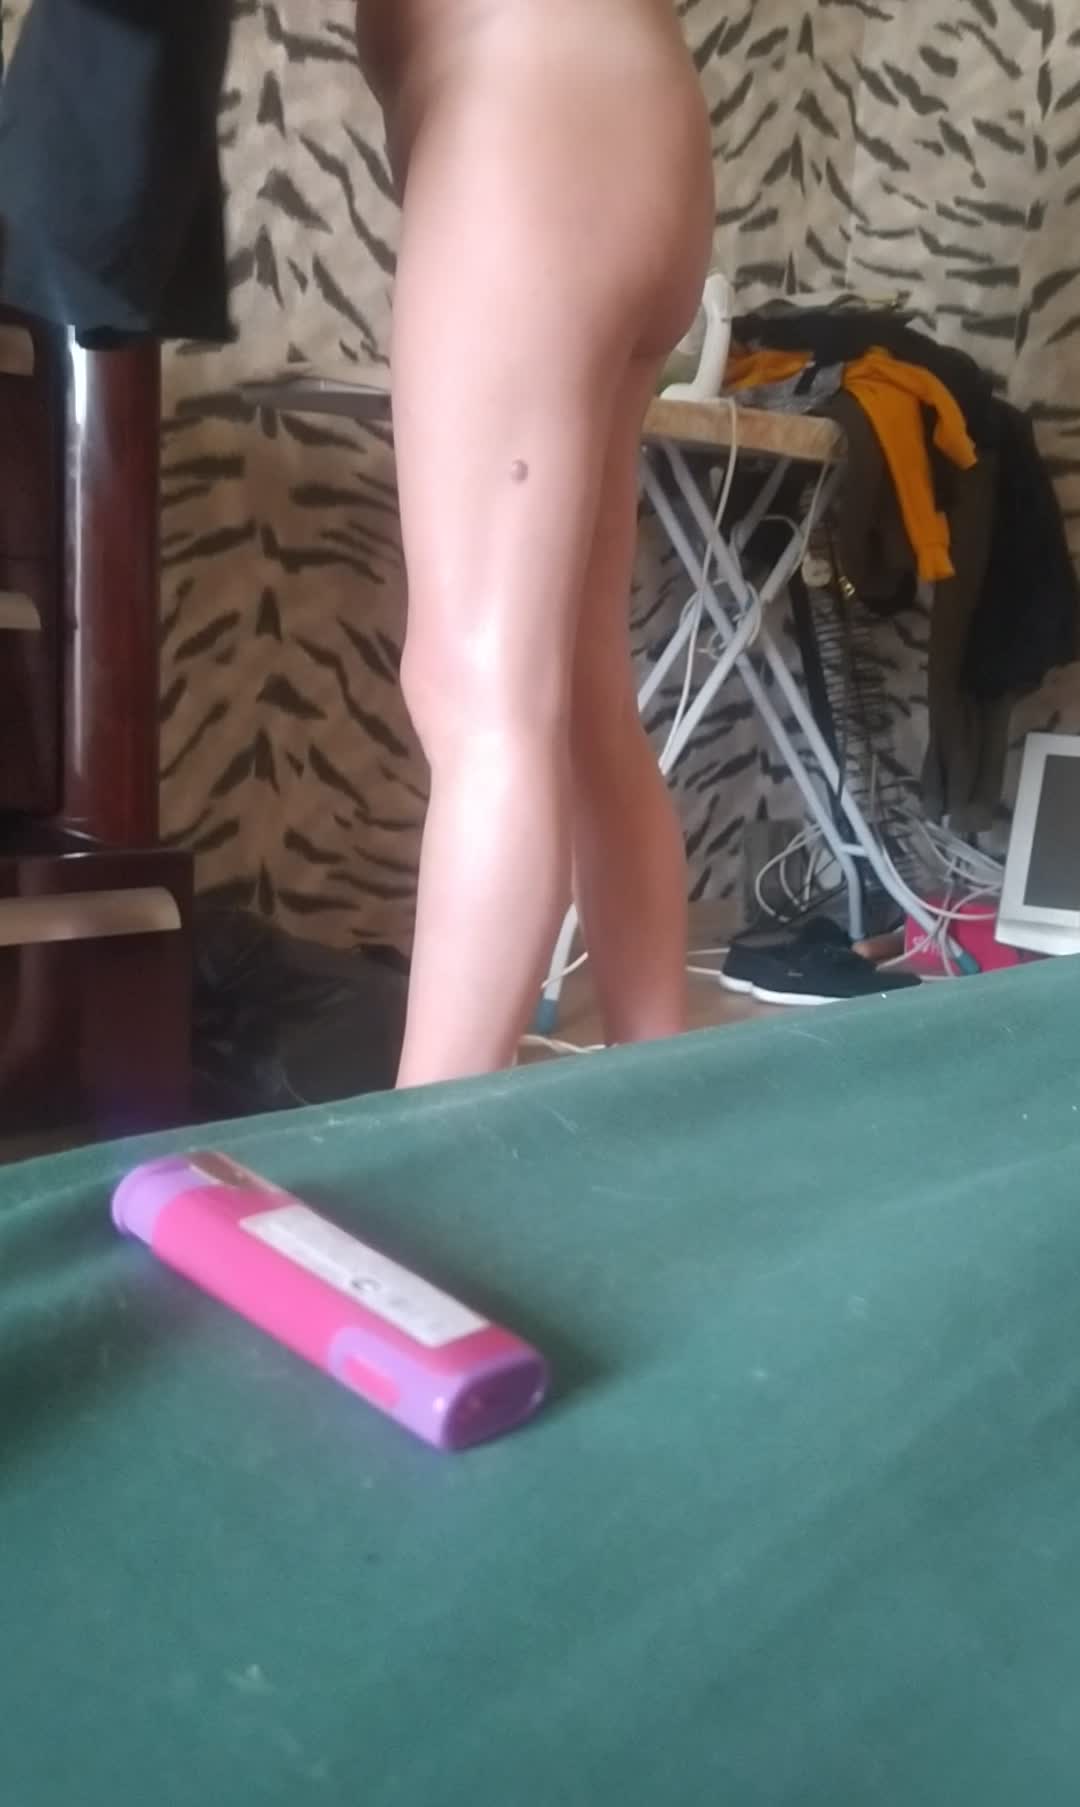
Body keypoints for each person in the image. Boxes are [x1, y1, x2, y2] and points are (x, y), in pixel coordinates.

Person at [358, 0, 713, 1088]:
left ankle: (426, 1152)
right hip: (641, 114)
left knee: (478, 696)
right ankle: (663, 1106)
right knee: (582, 694)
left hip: (525, 112)